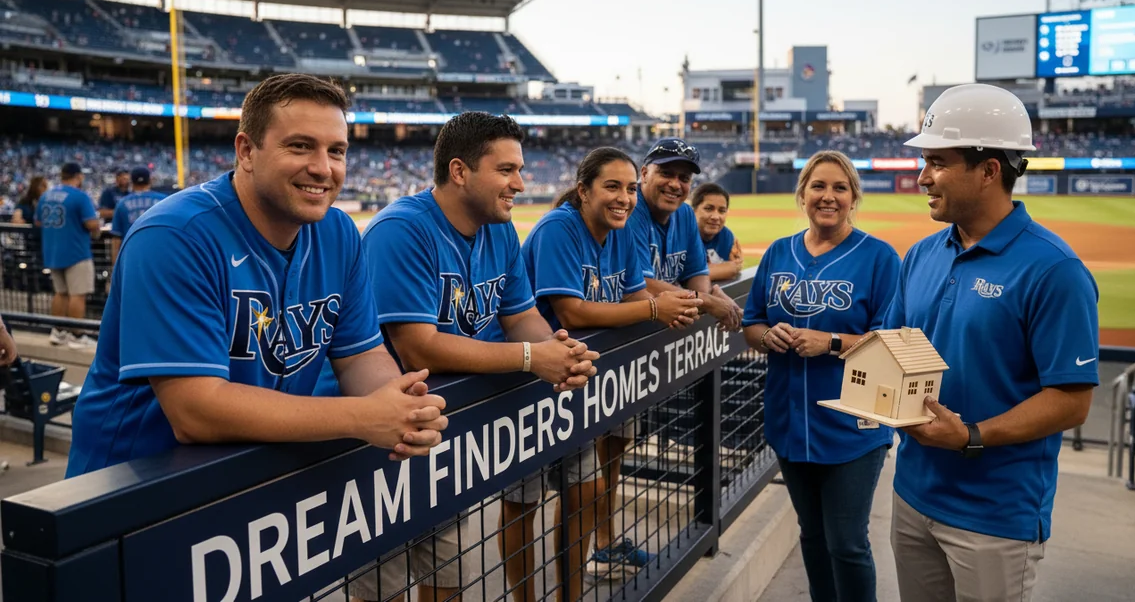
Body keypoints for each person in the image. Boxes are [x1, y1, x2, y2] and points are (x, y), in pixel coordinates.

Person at [64, 73, 447, 479]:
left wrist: (400, 406)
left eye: (336, 151)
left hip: (254, 474)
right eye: (300, 146)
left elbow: (360, 356)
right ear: (246, 151)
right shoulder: (173, 236)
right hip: (133, 483)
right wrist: (363, 416)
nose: (323, 168)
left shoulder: (338, 232)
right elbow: (195, 412)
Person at [356, 112, 601, 602]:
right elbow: (418, 346)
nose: (520, 183)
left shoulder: (499, 229)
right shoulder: (401, 229)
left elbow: (521, 315)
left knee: (447, 577)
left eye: (520, 169)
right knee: (384, 586)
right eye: (506, 170)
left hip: (448, 431)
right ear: (460, 171)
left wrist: (559, 349)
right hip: (387, 440)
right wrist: (532, 357)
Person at [883, 83, 1099, 602]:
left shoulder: (1055, 269)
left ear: (988, 170)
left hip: (995, 517)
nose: (922, 176)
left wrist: (970, 435)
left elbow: (1072, 401)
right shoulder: (921, 255)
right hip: (912, 494)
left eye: (938, 162)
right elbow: (895, 349)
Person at [521, 147, 703, 579]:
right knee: (522, 503)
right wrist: (655, 309)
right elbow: (572, 312)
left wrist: (668, 308)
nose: (625, 198)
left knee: (583, 490)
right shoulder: (558, 228)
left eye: (630, 189)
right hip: (532, 380)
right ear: (583, 190)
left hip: (578, 377)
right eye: (613, 187)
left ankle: (582, 572)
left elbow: (633, 292)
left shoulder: (618, 230)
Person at [741, 150, 900, 602]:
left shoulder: (879, 257)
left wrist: (830, 342)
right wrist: (768, 335)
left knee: (847, 543)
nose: (828, 196)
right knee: (811, 534)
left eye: (839, 188)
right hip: (790, 420)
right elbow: (751, 324)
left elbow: (891, 342)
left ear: (853, 197)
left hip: (854, 425)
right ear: (803, 194)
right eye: (818, 186)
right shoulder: (779, 252)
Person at [628, 138, 742, 331]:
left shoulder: (686, 213)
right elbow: (639, 284)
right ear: (644, 174)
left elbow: (696, 273)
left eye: (684, 178)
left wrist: (705, 296)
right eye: (666, 173)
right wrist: (706, 301)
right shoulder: (630, 209)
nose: (675, 184)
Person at [37, 162, 100, 350]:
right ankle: (76, 335)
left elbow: (38, 222)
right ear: (78, 176)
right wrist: (96, 231)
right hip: (76, 252)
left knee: (61, 293)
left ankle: (58, 332)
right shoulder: (79, 196)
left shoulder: (46, 195)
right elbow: (92, 224)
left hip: (53, 251)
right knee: (77, 295)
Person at [109, 166, 168, 260]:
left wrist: (115, 264)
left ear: (131, 182)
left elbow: (116, 238)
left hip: (131, 255)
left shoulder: (122, 203)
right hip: (158, 253)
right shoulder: (164, 200)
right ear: (150, 180)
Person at [690, 182, 743, 282]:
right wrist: (728, 269)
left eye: (722, 211)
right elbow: (685, 276)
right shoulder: (683, 236)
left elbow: (736, 266)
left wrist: (732, 267)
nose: (715, 217)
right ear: (693, 211)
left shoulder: (726, 236)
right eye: (708, 209)